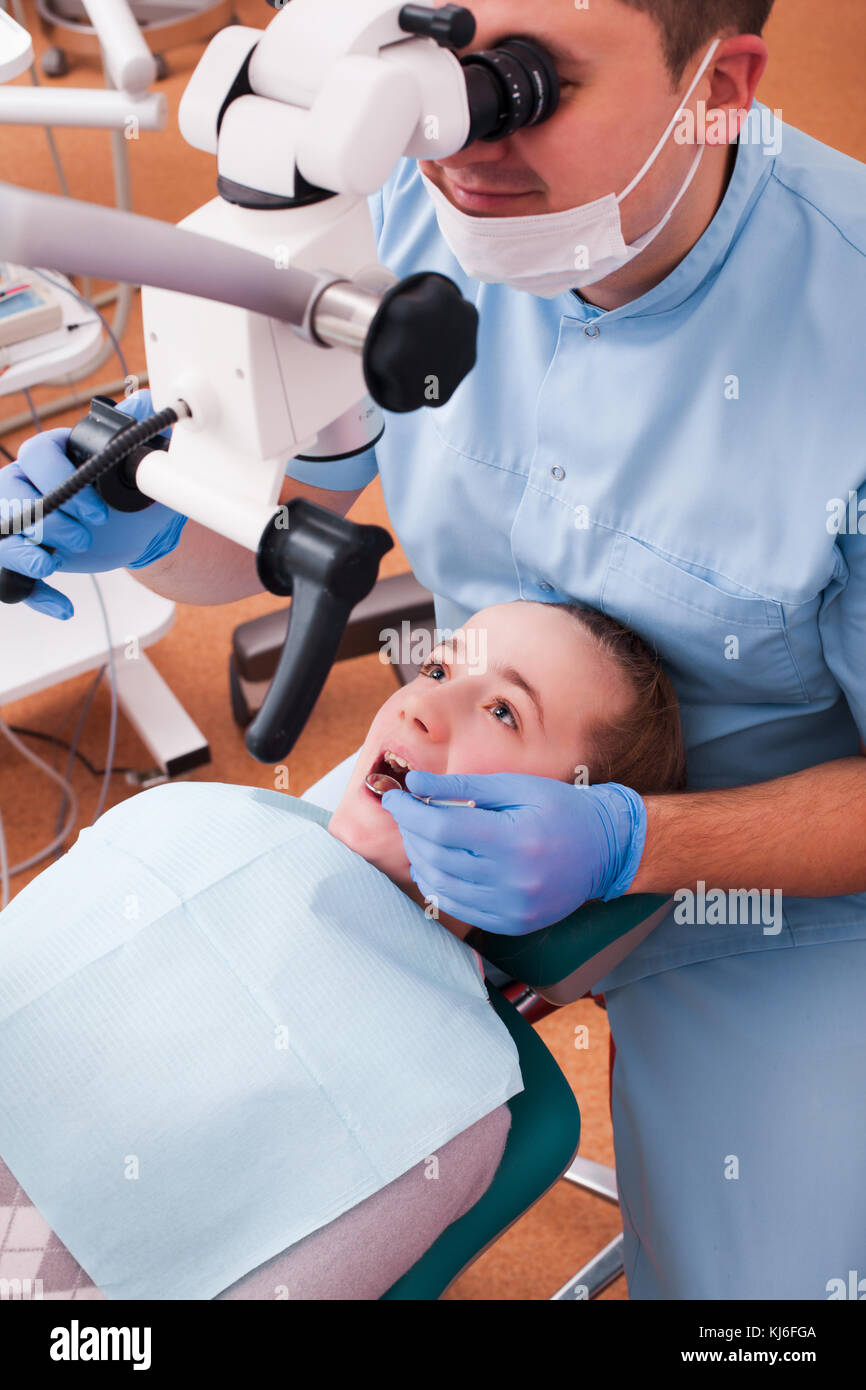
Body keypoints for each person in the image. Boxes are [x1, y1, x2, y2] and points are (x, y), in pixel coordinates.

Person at [1, 0, 864, 1299]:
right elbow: (272, 530)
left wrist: (636, 845)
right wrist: (146, 512)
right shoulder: (414, 203)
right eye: (436, 81)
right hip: (440, 793)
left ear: (719, 86)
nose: (461, 141)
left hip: (774, 880)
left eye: (524, 85)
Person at [0, 599, 685, 1301]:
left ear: (560, 833)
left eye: (505, 711)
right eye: (438, 667)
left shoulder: (449, 1114)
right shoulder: (179, 815)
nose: (421, 705)